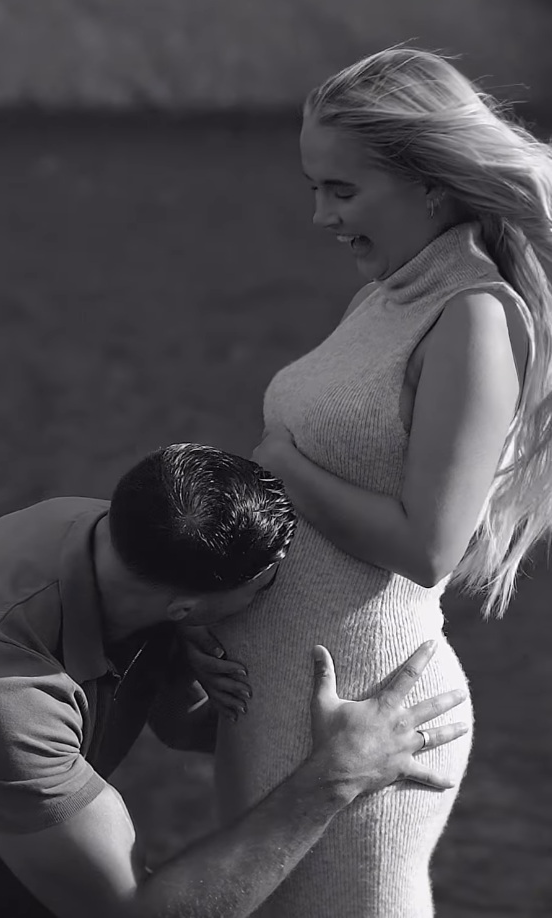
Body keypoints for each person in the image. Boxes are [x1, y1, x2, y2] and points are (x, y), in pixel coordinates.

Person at [197, 46, 552, 918]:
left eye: (342, 191)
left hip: (368, 716)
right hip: (276, 708)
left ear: (432, 184)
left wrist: (283, 466)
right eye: (314, 188)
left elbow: (429, 547)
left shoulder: (471, 316)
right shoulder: (386, 297)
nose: (321, 217)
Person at [0, 443, 468, 918]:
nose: (267, 603)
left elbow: (183, 725)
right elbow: (132, 912)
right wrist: (337, 774)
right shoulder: (3, 693)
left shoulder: (105, 535)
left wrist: (173, 652)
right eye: (265, 590)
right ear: (186, 607)